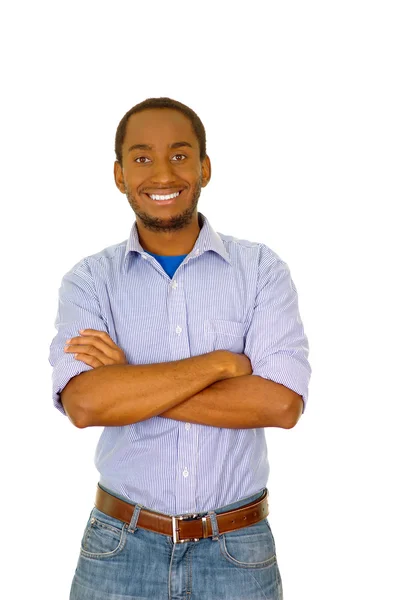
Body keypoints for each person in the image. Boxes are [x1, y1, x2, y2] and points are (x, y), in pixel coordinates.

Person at [49, 96, 311, 600]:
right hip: (118, 547)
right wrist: (222, 364)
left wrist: (131, 381)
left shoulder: (260, 271)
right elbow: (84, 405)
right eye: (142, 158)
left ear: (205, 168)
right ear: (120, 175)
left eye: (181, 154)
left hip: (238, 550)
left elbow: (280, 404)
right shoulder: (88, 281)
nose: (162, 173)